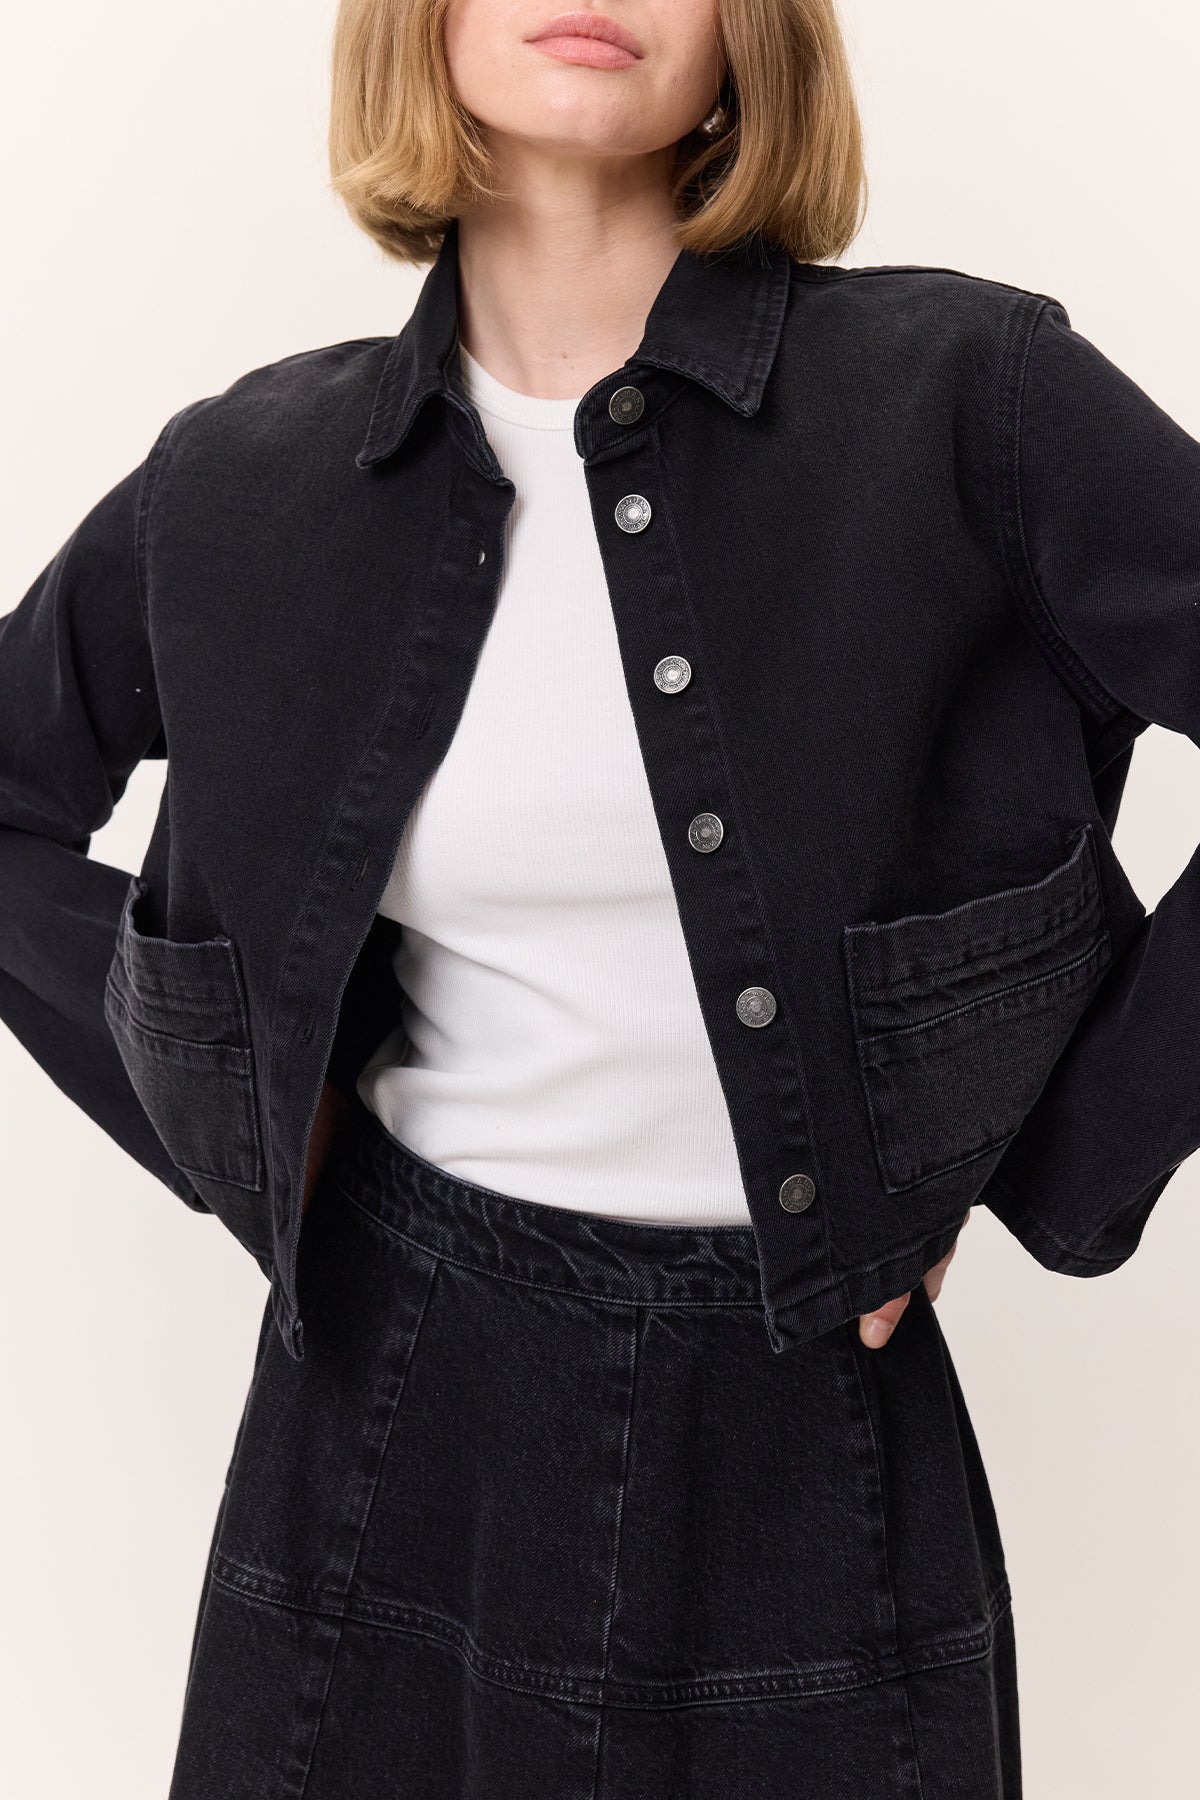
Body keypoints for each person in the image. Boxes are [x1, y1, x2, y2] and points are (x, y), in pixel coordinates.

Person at [5, 0, 1198, 1793]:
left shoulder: (970, 399)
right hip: (381, 1424)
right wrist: (243, 1107)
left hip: (810, 1436)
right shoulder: (244, 484)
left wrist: (1051, 1146)